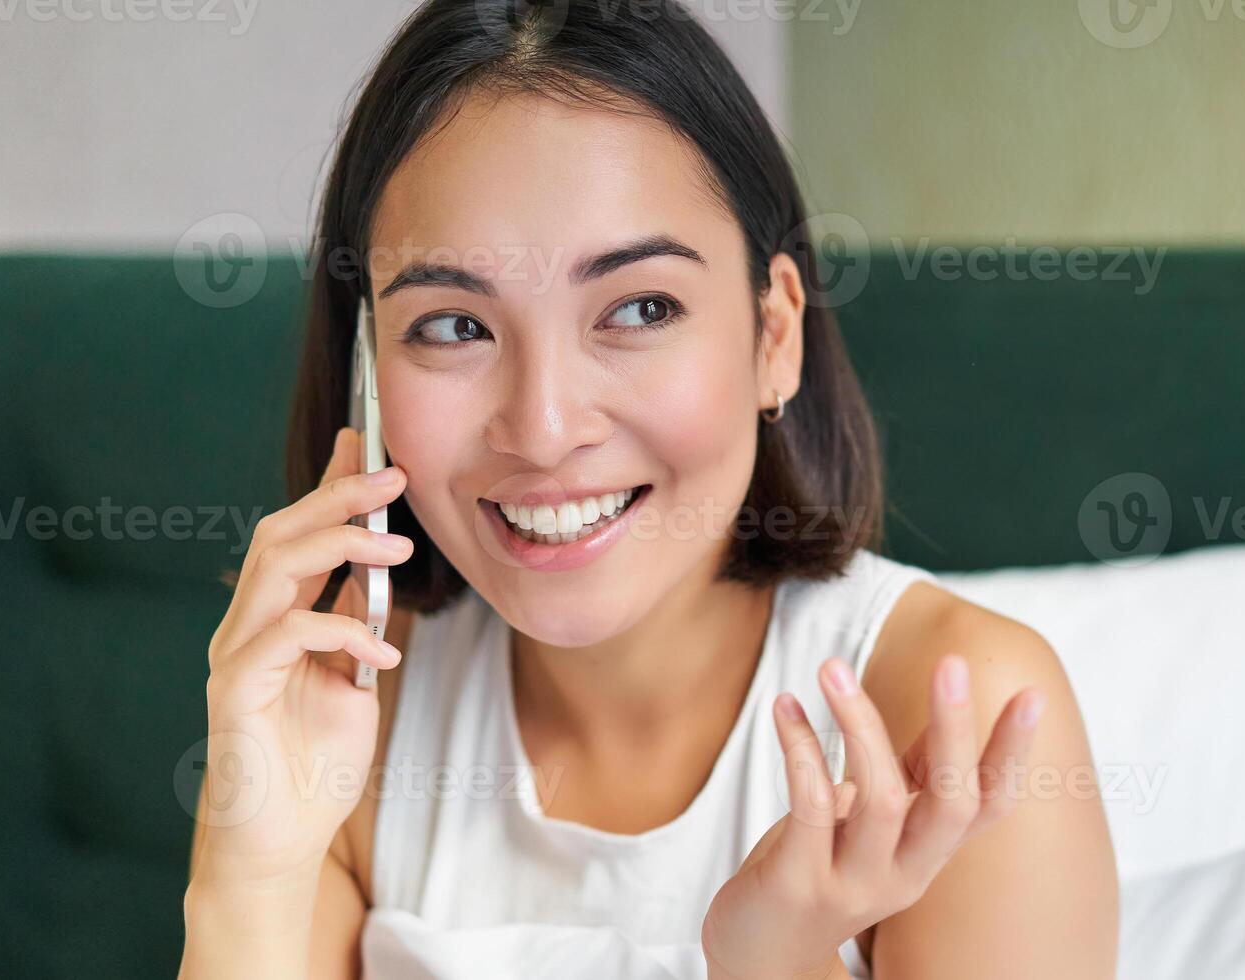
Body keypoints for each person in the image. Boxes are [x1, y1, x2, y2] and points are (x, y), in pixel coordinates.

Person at [180, 2, 1118, 976]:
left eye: (637, 307)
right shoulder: (338, 714)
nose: (542, 429)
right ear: (365, 369)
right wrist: (249, 865)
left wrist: (771, 962)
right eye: (454, 325)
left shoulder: (951, 725)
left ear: (773, 335)